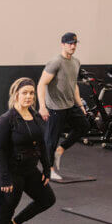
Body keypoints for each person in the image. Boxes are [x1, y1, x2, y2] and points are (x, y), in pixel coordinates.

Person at [0, 78, 56, 224]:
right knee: (7, 208)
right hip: (11, 171)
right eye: (24, 93)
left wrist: (46, 168)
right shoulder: (6, 120)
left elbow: (42, 145)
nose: (28, 96)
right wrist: (5, 178)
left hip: (30, 169)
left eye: (31, 93)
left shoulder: (35, 116)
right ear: (16, 95)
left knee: (47, 199)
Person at [37, 32, 89, 180]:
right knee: (51, 140)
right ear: (63, 45)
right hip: (55, 107)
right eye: (69, 43)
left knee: (84, 126)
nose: (73, 46)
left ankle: (61, 149)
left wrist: (80, 105)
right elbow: (42, 84)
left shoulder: (76, 62)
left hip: (70, 105)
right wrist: (42, 106)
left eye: (74, 43)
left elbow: (74, 85)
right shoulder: (56, 62)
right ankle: (49, 169)